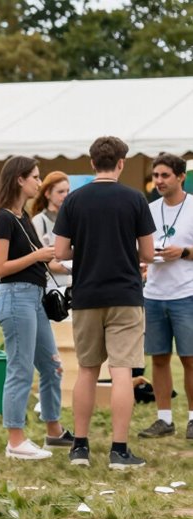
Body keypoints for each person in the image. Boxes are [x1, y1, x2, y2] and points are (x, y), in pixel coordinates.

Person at [53, 136, 155, 470]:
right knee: (122, 371)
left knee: (86, 370)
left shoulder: (74, 201)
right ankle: (119, 451)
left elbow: (60, 252)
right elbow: (148, 253)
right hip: (125, 294)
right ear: (121, 163)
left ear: (93, 162)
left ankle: (80, 447)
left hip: (86, 294)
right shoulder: (135, 199)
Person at [0, 157, 71, 461]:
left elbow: (44, 258)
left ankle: (54, 430)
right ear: (19, 180)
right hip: (16, 297)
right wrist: (38, 257)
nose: (38, 181)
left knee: (52, 365)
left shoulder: (21, 218)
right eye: (34, 176)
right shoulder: (4, 219)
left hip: (33, 299)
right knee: (20, 369)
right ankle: (15, 439)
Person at [138, 153, 193, 441]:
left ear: (181, 176)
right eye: (156, 175)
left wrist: (183, 252)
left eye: (165, 176)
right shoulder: (149, 209)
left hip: (186, 293)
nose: (158, 181)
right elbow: (141, 247)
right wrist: (145, 259)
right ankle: (164, 419)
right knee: (158, 359)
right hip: (154, 294)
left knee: (189, 359)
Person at [30, 171, 71, 288]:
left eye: (68, 191)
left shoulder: (71, 220)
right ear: (47, 194)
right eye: (60, 192)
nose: (66, 195)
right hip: (49, 286)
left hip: (69, 285)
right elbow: (44, 260)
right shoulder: (39, 220)